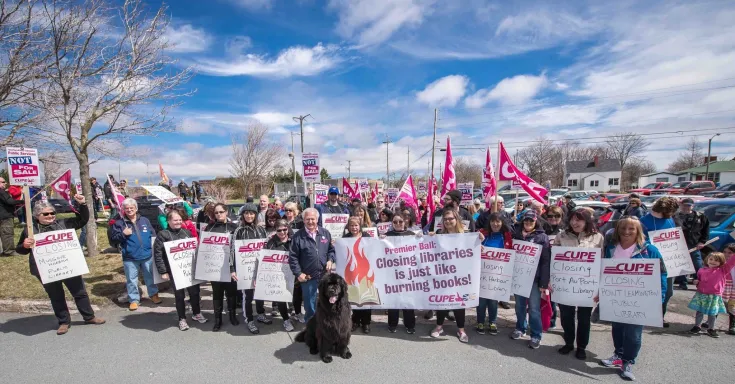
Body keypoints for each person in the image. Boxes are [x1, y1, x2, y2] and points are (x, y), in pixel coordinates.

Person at [15, 196, 106, 335]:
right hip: (46, 269)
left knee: (80, 293)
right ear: (37, 216)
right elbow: (20, 250)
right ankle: (64, 322)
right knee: (56, 296)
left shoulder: (64, 223)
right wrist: (25, 245)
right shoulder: (30, 230)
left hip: (69, 266)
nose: (50, 216)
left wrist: (81, 204)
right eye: (46, 214)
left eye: (52, 213)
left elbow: (83, 220)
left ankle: (89, 316)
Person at [599, 217, 667, 382]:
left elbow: (662, 274)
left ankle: (628, 362)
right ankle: (618, 354)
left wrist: (660, 297)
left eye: (631, 229)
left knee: (633, 335)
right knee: (618, 330)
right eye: (623, 228)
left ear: (638, 231)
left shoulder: (650, 251)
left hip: (639, 300)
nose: (626, 232)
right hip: (616, 298)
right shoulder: (611, 249)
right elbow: (603, 271)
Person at [553, 210, 604, 360]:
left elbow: (601, 262)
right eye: (573, 220)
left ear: (587, 221)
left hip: (587, 286)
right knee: (566, 316)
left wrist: (600, 286)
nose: (575, 223)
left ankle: (581, 347)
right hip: (565, 285)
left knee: (584, 318)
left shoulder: (598, 237)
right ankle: (569, 343)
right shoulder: (561, 236)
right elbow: (553, 260)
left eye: (579, 220)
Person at [429, 209, 480, 343]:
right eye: (445, 219)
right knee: (442, 300)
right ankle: (439, 326)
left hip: (460, 275)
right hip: (443, 274)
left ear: (457, 220)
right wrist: (428, 238)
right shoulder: (439, 234)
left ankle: (461, 329)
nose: (448, 221)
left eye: (451, 218)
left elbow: (475, 250)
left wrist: (479, 239)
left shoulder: (466, 235)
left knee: (459, 302)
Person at [153, 210, 207, 331]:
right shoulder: (163, 235)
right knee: (179, 296)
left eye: (179, 220)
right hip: (174, 272)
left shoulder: (186, 232)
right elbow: (158, 254)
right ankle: (182, 319)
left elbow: (194, 250)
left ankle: (196, 313)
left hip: (190, 270)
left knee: (194, 293)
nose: (178, 222)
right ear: (168, 221)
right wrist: (163, 271)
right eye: (175, 220)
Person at [510, 211, 551, 350]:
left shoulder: (542, 237)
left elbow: (546, 261)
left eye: (531, 221)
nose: (528, 223)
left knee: (534, 308)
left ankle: (536, 335)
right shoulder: (516, 234)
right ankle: (520, 327)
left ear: (536, 222)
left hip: (534, 279)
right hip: (519, 276)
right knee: (519, 305)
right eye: (526, 221)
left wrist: (544, 282)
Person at [110, 198, 161, 311]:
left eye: (131, 208)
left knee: (150, 277)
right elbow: (113, 239)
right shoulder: (120, 223)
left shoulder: (144, 220)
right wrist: (123, 234)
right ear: (123, 209)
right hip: (130, 257)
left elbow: (152, 234)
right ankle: (133, 300)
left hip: (147, 255)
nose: (129, 210)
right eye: (127, 208)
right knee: (132, 280)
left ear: (136, 208)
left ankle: (153, 294)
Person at [288, 208, 336, 322]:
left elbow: (331, 250)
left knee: (327, 300)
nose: (310, 222)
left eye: (312, 219)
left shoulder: (325, 233)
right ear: (303, 220)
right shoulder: (298, 236)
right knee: (310, 303)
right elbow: (293, 257)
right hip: (308, 276)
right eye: (307, 219)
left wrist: (330, 260)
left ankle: (325, 322)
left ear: (317, 219)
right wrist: (298, 273)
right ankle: (311, 325)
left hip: (324, 275)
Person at [640, 196, 680, 327]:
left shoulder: (669, 220)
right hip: (651, 261)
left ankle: (660, 315)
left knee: (668, 292)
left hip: (669, 261)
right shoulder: (643, 221)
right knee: (650, 290)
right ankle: (648, 314)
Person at [477, 212, 513, 336]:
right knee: (481, 301)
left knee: (493, 301)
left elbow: (511, 252)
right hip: (482, 273)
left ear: (502, 223)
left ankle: (492, 322)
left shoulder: (507, 236)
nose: (495, 224)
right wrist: (477, 244)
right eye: (493, 221)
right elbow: (471, 245)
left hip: (498, 274)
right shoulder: (482, 233)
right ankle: (480, 322)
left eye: (498, 221)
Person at [205, 203, 239, 331]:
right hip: (215, 267)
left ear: (227, 212)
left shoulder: (234, 227)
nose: (219, 214)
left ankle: (232, 316)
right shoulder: (210, 228)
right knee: (217, 294)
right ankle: (217, 319)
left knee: (231, 293)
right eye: (216, 212)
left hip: (230, 267)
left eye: (221, 212)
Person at [383, 214, 418, 334]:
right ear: (392, 223)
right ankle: (392, 324)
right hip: (392, 273)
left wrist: (425, 237)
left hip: (408, 273)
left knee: (408, 300)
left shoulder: (411, 235)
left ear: (405, 222)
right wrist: (380, 240)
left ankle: (410, 324)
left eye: (400, 221)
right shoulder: (387, 236)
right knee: (393, 300)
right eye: (395, 222)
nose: (398, 224)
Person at [688, 251, 735, 338]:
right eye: (711, 259)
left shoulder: (723, 270)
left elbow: (731, 261)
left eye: (716, 260)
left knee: (712, 313)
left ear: (721, 262)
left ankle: (711, 328)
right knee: (699, 311)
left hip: (714, 296)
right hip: (701, 294)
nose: (713, 261)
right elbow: (697, 280)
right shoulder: (701, 270)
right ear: (707, 259)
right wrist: (696, 282)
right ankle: (697, 326)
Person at [265, 219, 297, 332]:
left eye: (284, 229)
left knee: (295, 295)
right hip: (277, 275)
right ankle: (285, 319)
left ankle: (296, 313)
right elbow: (266, 260)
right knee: (281, 298)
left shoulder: (294, 240)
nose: (282, 232)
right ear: (275, 231)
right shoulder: (271, 243)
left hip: (293, 273)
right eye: (279, 230)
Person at [343, 216, 373, 333]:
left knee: (366, 297)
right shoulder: (345, 238)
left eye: (356, 225)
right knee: (355, 297)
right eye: (351, 225)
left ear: (360, 226)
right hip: (352, 272)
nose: (354, 228)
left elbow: (374, 249)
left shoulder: (367, 237)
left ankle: (366, 323)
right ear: (348, 227)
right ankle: (355, 321)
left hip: (365, 271)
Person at [676, 198, 709, 290]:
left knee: (697, 264)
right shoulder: (675, 216)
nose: (686, 207)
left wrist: (702, 241)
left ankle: (700, 282)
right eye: (684, 205)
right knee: (681, 264)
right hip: (679, 245)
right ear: (681, 205)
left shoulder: (700, 216)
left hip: (694, 244)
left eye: (688, 205)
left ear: (692, 206)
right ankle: (682, 282)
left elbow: (706, 230)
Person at [0, 176, 23, 256]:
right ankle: (9, 251)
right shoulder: (1, 191)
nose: (5, 183)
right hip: (5, 216)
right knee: (7, 234)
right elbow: (10, 202)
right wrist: (23, 201)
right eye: (2, 182)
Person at [722, 243, 735, 335]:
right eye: (724, 252)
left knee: (732, 306)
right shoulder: (720, 262)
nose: (726, 254)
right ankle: (710, 322)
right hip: (723, 286)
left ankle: (732, 325)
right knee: (718, 303)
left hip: (733, 287)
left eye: (729, 253)